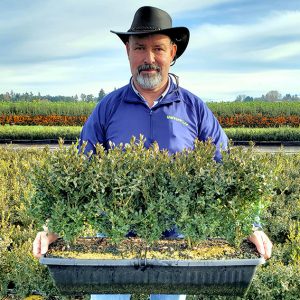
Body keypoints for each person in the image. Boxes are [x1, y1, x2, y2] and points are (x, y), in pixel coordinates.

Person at [33, 6, 273, 300]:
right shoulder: (108, 108)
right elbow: (78, 170)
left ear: (172, 52)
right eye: (140, 48)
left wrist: (250, 225)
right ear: (127, 51)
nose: (149, 59)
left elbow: (227, 167)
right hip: (114, 239)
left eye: (158, 48)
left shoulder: (194, 108)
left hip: (175, 243)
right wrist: (52, 228)